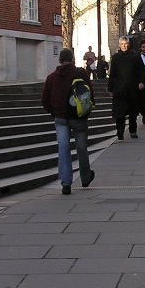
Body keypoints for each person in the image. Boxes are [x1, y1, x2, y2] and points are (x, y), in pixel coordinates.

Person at [41, 48, 95, 195]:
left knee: (63, 148)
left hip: (60, 118)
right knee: (82, 147)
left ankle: (66, 183)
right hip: (78, 116)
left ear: (59, 60)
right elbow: (89, 91)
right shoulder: (81, 73)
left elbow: (44, 100)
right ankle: (85, 177)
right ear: (72, 59)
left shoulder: (52, 77)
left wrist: (54, 112)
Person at [108, 36, 142, 139]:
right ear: (119, 45)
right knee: (119, 112)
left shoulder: (135, 56)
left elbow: (141, 70)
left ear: (129, 44)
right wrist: (110, 88)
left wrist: (141, 82)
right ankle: (120, 130)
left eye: (126, 44)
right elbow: (112, 74)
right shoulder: (115, 58)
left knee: (133, 112)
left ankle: (132, 131)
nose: (124, 46)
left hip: (132, 88)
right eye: (122, 44)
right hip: (119, 89)